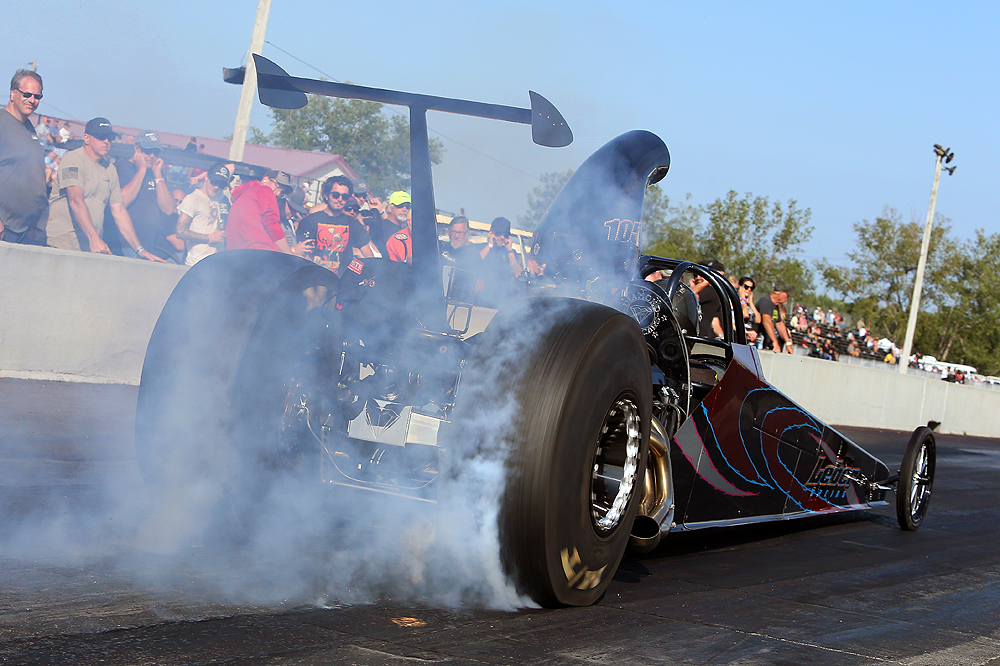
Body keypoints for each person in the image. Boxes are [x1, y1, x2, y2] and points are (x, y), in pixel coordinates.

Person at [46, 117, 164, 262]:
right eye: (101, 137)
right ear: (86, 138)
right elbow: (76, 201)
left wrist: (139, 249)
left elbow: (119, 210)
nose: (106, 141)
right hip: (63, 245)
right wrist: (94, 238)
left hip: (90, 247)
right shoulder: (73, 159)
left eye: (109, 137)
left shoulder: (109, 169)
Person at [104, 130, 176, 258]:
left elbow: (168, 209)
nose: (152, 155)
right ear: (136, 149)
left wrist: (158, 175)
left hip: (149, 246)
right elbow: (121, 202)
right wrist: (141, 170)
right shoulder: (120, 168)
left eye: (156, 152)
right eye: (148, 151)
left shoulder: (157, 173)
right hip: (123, 246)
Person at [0, 69, 48, 245]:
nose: (32, 100)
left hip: (26, 230)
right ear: (13, 93)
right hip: (5, 228)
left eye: (37, 96)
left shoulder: (28, 128)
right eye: (27, 94)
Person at [297, 176, 376, 271]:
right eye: (335, 195)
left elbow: (368, 255)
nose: (340, 199)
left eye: (344, 196)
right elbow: (301, 254)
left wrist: (369, 272)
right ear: (326, 196)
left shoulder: (353, 223)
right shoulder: (310, 220)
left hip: (343, 278)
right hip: (315, 276)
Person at [225, 169, 305, 256]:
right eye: (278, 186)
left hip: (236, 254)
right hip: (258, 252)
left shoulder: (244, 195)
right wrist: (289, 254)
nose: (278, 193)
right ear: (265, 180)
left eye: (282, 191)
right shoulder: (264, 190)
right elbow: (272, 224)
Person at [176, 164, 230, 265]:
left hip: (217, 264)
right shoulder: (193, 199)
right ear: (206, 178)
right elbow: (180, 232)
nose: (216, 187)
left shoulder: (220, 198)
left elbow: (232, 166)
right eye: (214, 182)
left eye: (221, 185)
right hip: (196, 263)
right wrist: (210, 237)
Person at [477, 216, 522, 306]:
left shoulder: (511, 254)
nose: (502, 237)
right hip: (480, 301)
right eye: (498, 233)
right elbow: (473, 265)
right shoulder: (480, 248)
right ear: (491, 232)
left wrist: (509, 250)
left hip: (502, 303)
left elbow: (518, 274)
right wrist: (489, 245)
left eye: (505, 234)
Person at [756, 286, 793, 353]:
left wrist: (788, 343)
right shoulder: (765, 302)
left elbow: (779, 324)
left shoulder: (775, 306)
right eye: (786, 296)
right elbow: (766, 321)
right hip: (758, 341)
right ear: (780, 293)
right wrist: (775, 342)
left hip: (767, 343)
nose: (787, 299)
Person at [736, 276, 759, 343]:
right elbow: (745, 315)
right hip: (737, 336)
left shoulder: (747, 304)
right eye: (746, 287)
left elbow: (758, 320)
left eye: (751, 288)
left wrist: (750, 302)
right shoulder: (735, 301)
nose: (749, 289)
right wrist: (742, 298)